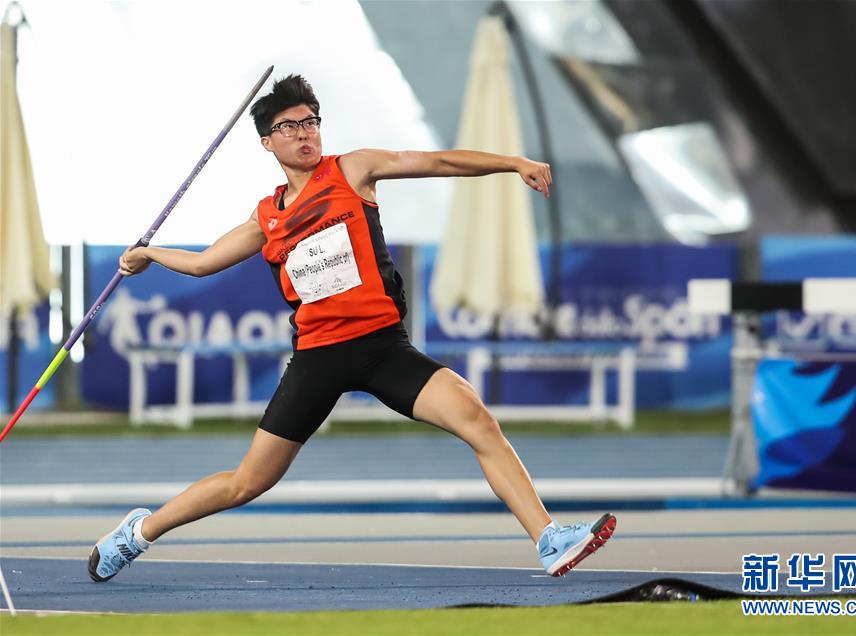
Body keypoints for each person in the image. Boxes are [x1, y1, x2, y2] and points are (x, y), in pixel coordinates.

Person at [88, 74, 616, 583]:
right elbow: (204, 263)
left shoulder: (353, 170)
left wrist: (513, 163)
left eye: (311, 122)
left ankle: (548, 537)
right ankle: (139, 532)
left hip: (383, 347)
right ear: (267, 141)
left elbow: (438, 162)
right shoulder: (266, 218)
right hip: (319, 357)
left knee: (477, 419)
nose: (304, 134)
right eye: (290, 126)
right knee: (248, 482)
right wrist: (149, 255)